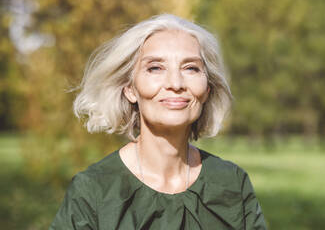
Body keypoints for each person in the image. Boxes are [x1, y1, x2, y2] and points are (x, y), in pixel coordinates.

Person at [49, 14, 267, 229]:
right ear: (130, 89)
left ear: (207, 89)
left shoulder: (232, 184)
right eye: (155, 67)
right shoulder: (93, 191)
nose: (175, 83)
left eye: (190, 68)